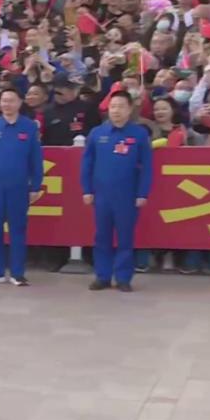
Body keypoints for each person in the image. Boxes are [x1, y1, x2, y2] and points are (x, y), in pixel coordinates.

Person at [81, 91, 153, 292]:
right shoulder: (97, 133)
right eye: (113, 106)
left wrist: (142, 193)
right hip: (101, 195)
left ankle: (123, 278)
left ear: (130, 109)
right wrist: (87, 190)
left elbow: (147, 166)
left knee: (125, 238)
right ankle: (102, 276)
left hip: (127, 196)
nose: (116, 111)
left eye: (121, 106)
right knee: (101, 237)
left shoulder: (139, 134)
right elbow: (87, 164)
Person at [0, 88, 44, 286]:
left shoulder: (29, 127)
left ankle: (17, 273)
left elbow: (36, 160)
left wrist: (36, 186)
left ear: (19, 103)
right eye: (4, 101)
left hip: (19, 187)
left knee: (18, 230)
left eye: (11, 100)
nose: (7, 104)